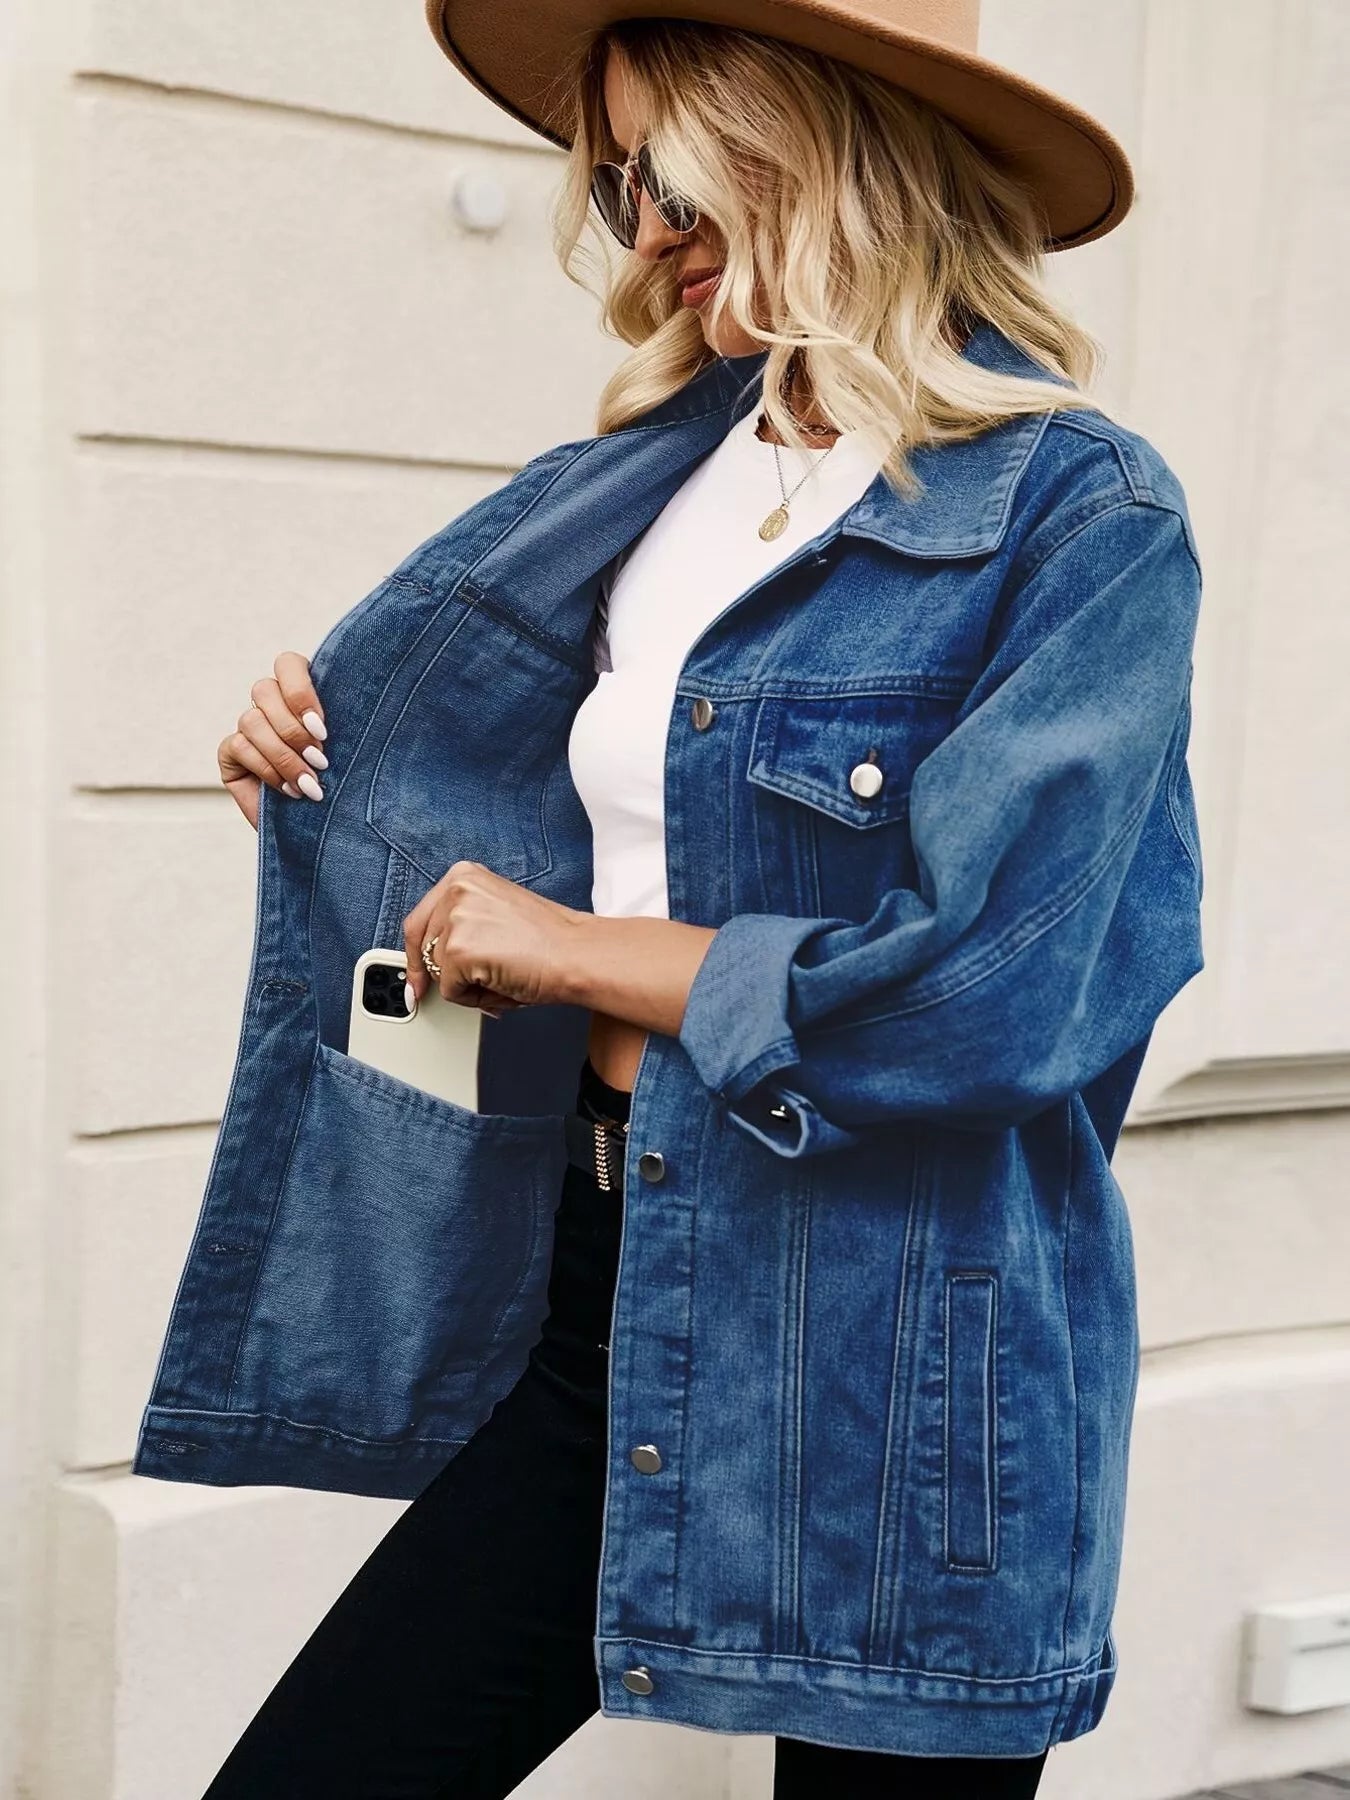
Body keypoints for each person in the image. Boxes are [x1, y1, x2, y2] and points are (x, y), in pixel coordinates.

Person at [151, 5, 1203, 1795]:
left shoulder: (1074, 511)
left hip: (899, 1338)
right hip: (609, 1276)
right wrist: (326, 786)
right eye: (619, 181)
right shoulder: (640, 488)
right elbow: (531, 848)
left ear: (829, 153)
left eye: (679, 178)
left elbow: (995, 993)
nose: (641, 232)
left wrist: (570, 952)